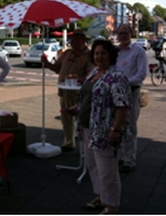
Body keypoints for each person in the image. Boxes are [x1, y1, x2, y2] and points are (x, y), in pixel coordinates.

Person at [68, 39, 131, 214]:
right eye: (96, 53)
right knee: (93, 167)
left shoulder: (117, 76)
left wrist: (115, 130)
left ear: (111, 55)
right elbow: (90, 98)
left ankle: (111, 206)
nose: (99, 56)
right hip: (89, 129)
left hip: (105, 133)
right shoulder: (94, 72)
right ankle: (100, 198)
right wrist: (77, 109)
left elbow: (123, 106)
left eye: (103, 53)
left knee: (107, 172)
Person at [41, 29, 94, 152]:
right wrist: (46, 63)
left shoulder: (89, 56)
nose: (72, 42)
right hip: (64, 92)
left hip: (79, 93)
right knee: (66, 118)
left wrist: (79, 79)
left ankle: (85, 146)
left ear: (82, 41)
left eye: (75, 40)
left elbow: (91, 73)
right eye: (71, 40)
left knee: (82, 120)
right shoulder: (66, 53)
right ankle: (69, 142)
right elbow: (57, 68)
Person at [116, 24, 148, 173]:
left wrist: (124, 82)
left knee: (130, 125)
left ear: (131, 33)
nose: (122, 36)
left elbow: (141, 74)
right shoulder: (116, 51)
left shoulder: (139, 52)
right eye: (120, 33)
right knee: (117, 124)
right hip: (116, 92)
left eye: (125, 33)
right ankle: (120, 156)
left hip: (131, 91)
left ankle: (129, 160)